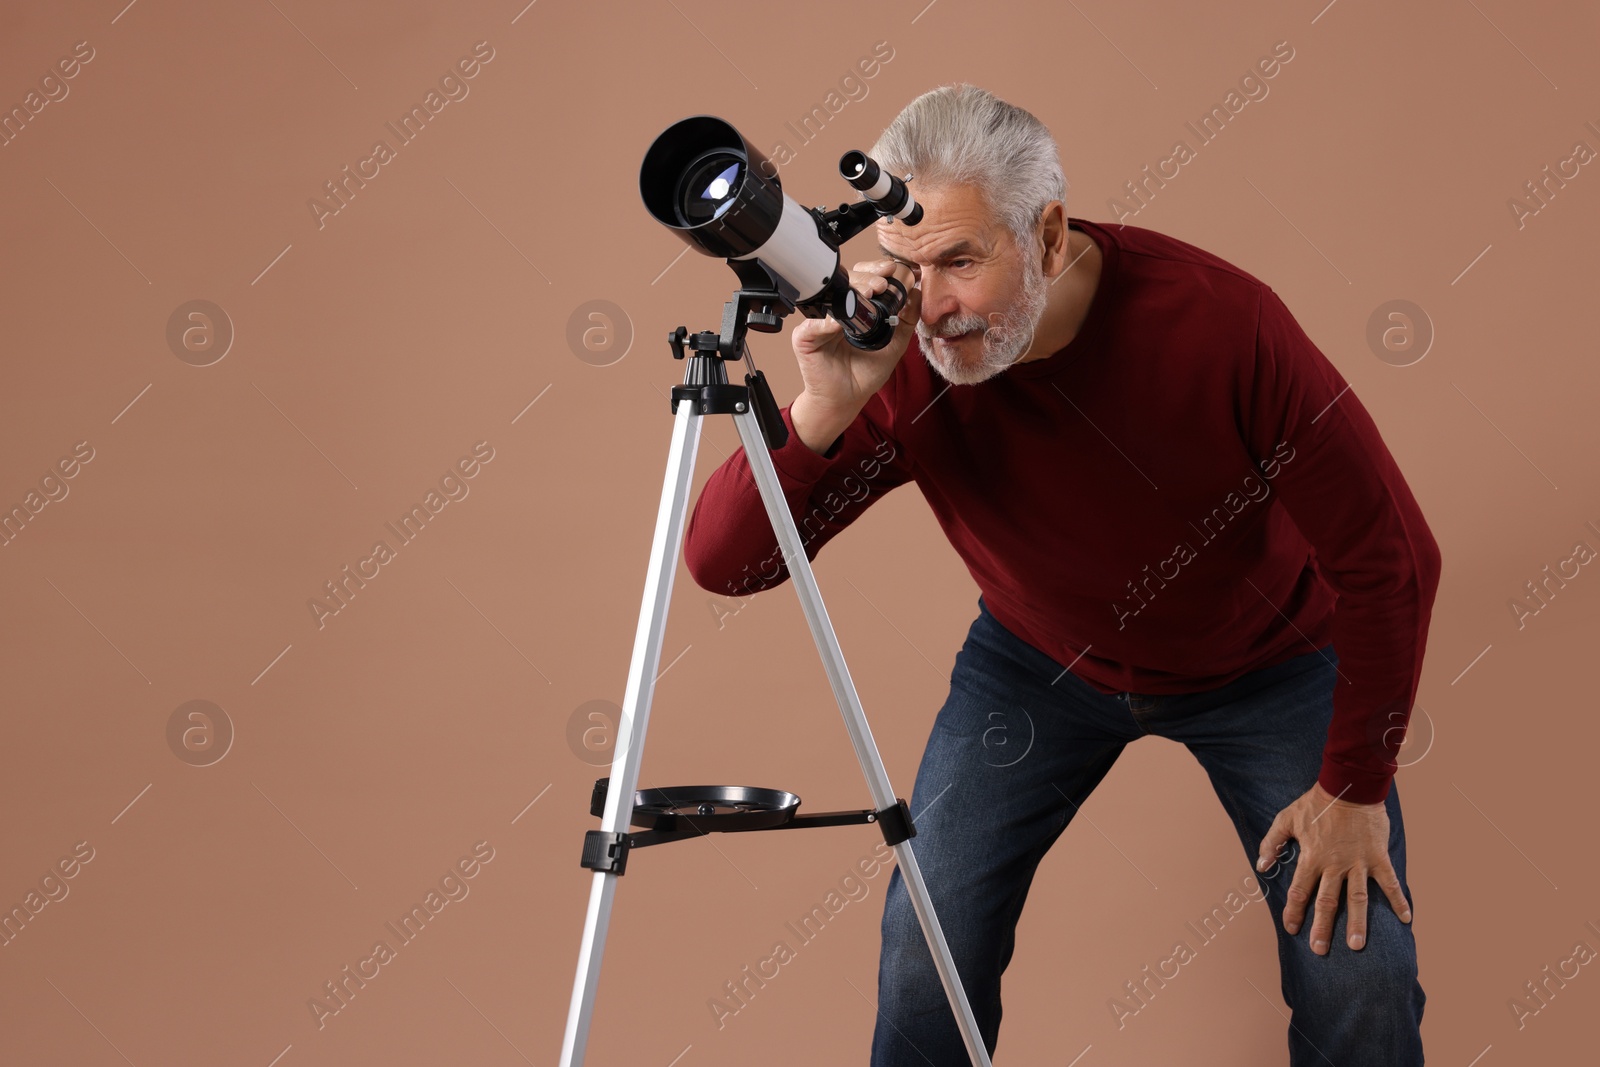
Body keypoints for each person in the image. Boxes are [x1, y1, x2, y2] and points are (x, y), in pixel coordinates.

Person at [682, 83, 1439, 1066]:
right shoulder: (903, 355)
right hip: (1036, 661)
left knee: (1361, 970)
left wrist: (1354, 782)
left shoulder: (1220, 322)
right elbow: (723, 565)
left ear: (1044, 235)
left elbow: (1391, 559)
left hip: (1268, 666)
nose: (935, 307)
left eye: (961, 260)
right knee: (927, 947)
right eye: (911, 268)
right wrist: (820, 410)